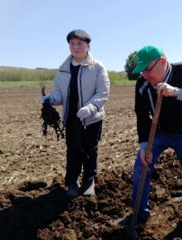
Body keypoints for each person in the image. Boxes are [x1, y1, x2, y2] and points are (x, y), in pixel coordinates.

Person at [119, 46, 182, 226]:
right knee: (141, 165)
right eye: (142, 71)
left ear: (162, 62)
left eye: (147, 69)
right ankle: (139, 213)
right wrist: (144, 145)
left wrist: (177, 92)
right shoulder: (142, 85)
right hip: (160, 133)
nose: (145, 75)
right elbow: (141, 115)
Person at [41, 29, 110, 198]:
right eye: (72, 43)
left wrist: (91, 108)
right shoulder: (63, 69)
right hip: (71, 118)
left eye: (80, 43)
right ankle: (72, 182)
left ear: (88, 45)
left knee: (89, 150)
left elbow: (103, 92)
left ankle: (88, 181)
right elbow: (59, 94)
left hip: (91, 119)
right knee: (72, 151)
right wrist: (49, 99)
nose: (76, 47)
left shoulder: (97, 67)